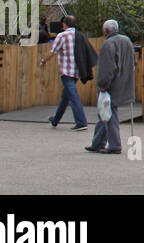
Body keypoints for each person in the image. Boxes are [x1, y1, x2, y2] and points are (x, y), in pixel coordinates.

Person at [86, 19, 136, 154]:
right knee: (105, 112)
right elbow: (133, 62)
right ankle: (97, 142)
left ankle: (114, 144)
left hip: (112, 84)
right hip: (125, 81)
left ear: (106, 31)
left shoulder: (108, 44)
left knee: (109, 112)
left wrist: (103, 86)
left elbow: (107, 69)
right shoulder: (127, 41)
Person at [38, 15, 88, 131]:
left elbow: (53, 51)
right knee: (66, 97)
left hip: (66, 71)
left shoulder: (62, 35)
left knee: (73, 96)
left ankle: (81, 122)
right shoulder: (80, 35)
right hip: (76, 70)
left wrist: (43, 61)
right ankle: (55, 120)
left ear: (64, 24)